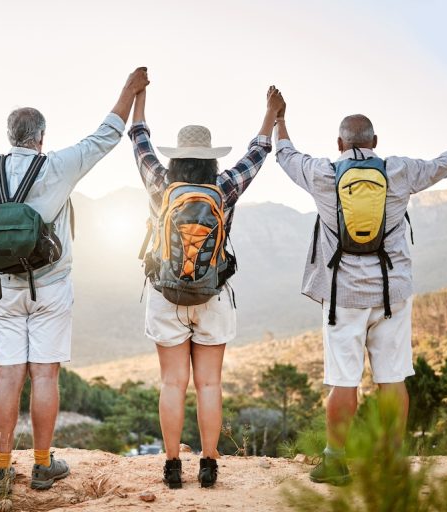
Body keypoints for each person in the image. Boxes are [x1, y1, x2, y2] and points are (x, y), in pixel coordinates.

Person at [0, 67, 149, 493]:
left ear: (10, 135)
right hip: (51, 287)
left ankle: (1, 469)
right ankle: (41, 465)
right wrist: (129, 88)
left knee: (7, 376)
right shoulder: (57, 165)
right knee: (45, 376)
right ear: (40, 138)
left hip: (4, 288)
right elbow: (106, 135)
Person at [269, 87, 447, 485]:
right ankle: (391, 460)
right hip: (392, 295)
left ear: (339, 144)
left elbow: (285, 154)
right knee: (393, 378)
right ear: (376, 143)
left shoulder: (322, 173)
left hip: (343, 298)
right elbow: (442, 165)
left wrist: (279, 118)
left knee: (343, 381)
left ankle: (335, 462)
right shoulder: (398, 170)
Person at [128, 84, 279, 488]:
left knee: (172, 383)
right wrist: (271, 114)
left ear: (176, 157)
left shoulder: (161, 183)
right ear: (210, 159)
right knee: (209, 383)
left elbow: (139, 140)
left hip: (166, 294)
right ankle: (210, 464)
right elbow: (258, 153)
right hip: (214, 295)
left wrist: (139, 96)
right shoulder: (224, 187)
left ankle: (173, 465)